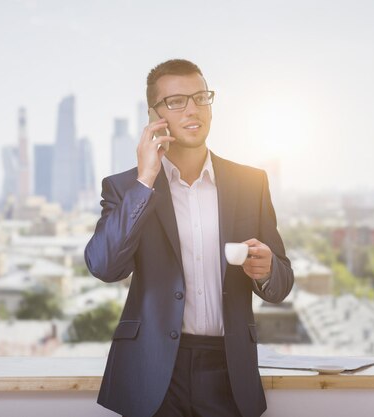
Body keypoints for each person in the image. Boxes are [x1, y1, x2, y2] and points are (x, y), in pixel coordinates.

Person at [84, 59, 294, 417]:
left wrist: (268, 268)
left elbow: (282, 281)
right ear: (154, 115)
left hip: (229, 368)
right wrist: (145, 180)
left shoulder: (250, 183)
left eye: (200, 97)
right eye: (176, 101)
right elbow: (104, 266)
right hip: (153, 370)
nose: (193, 109)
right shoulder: (125, 188)